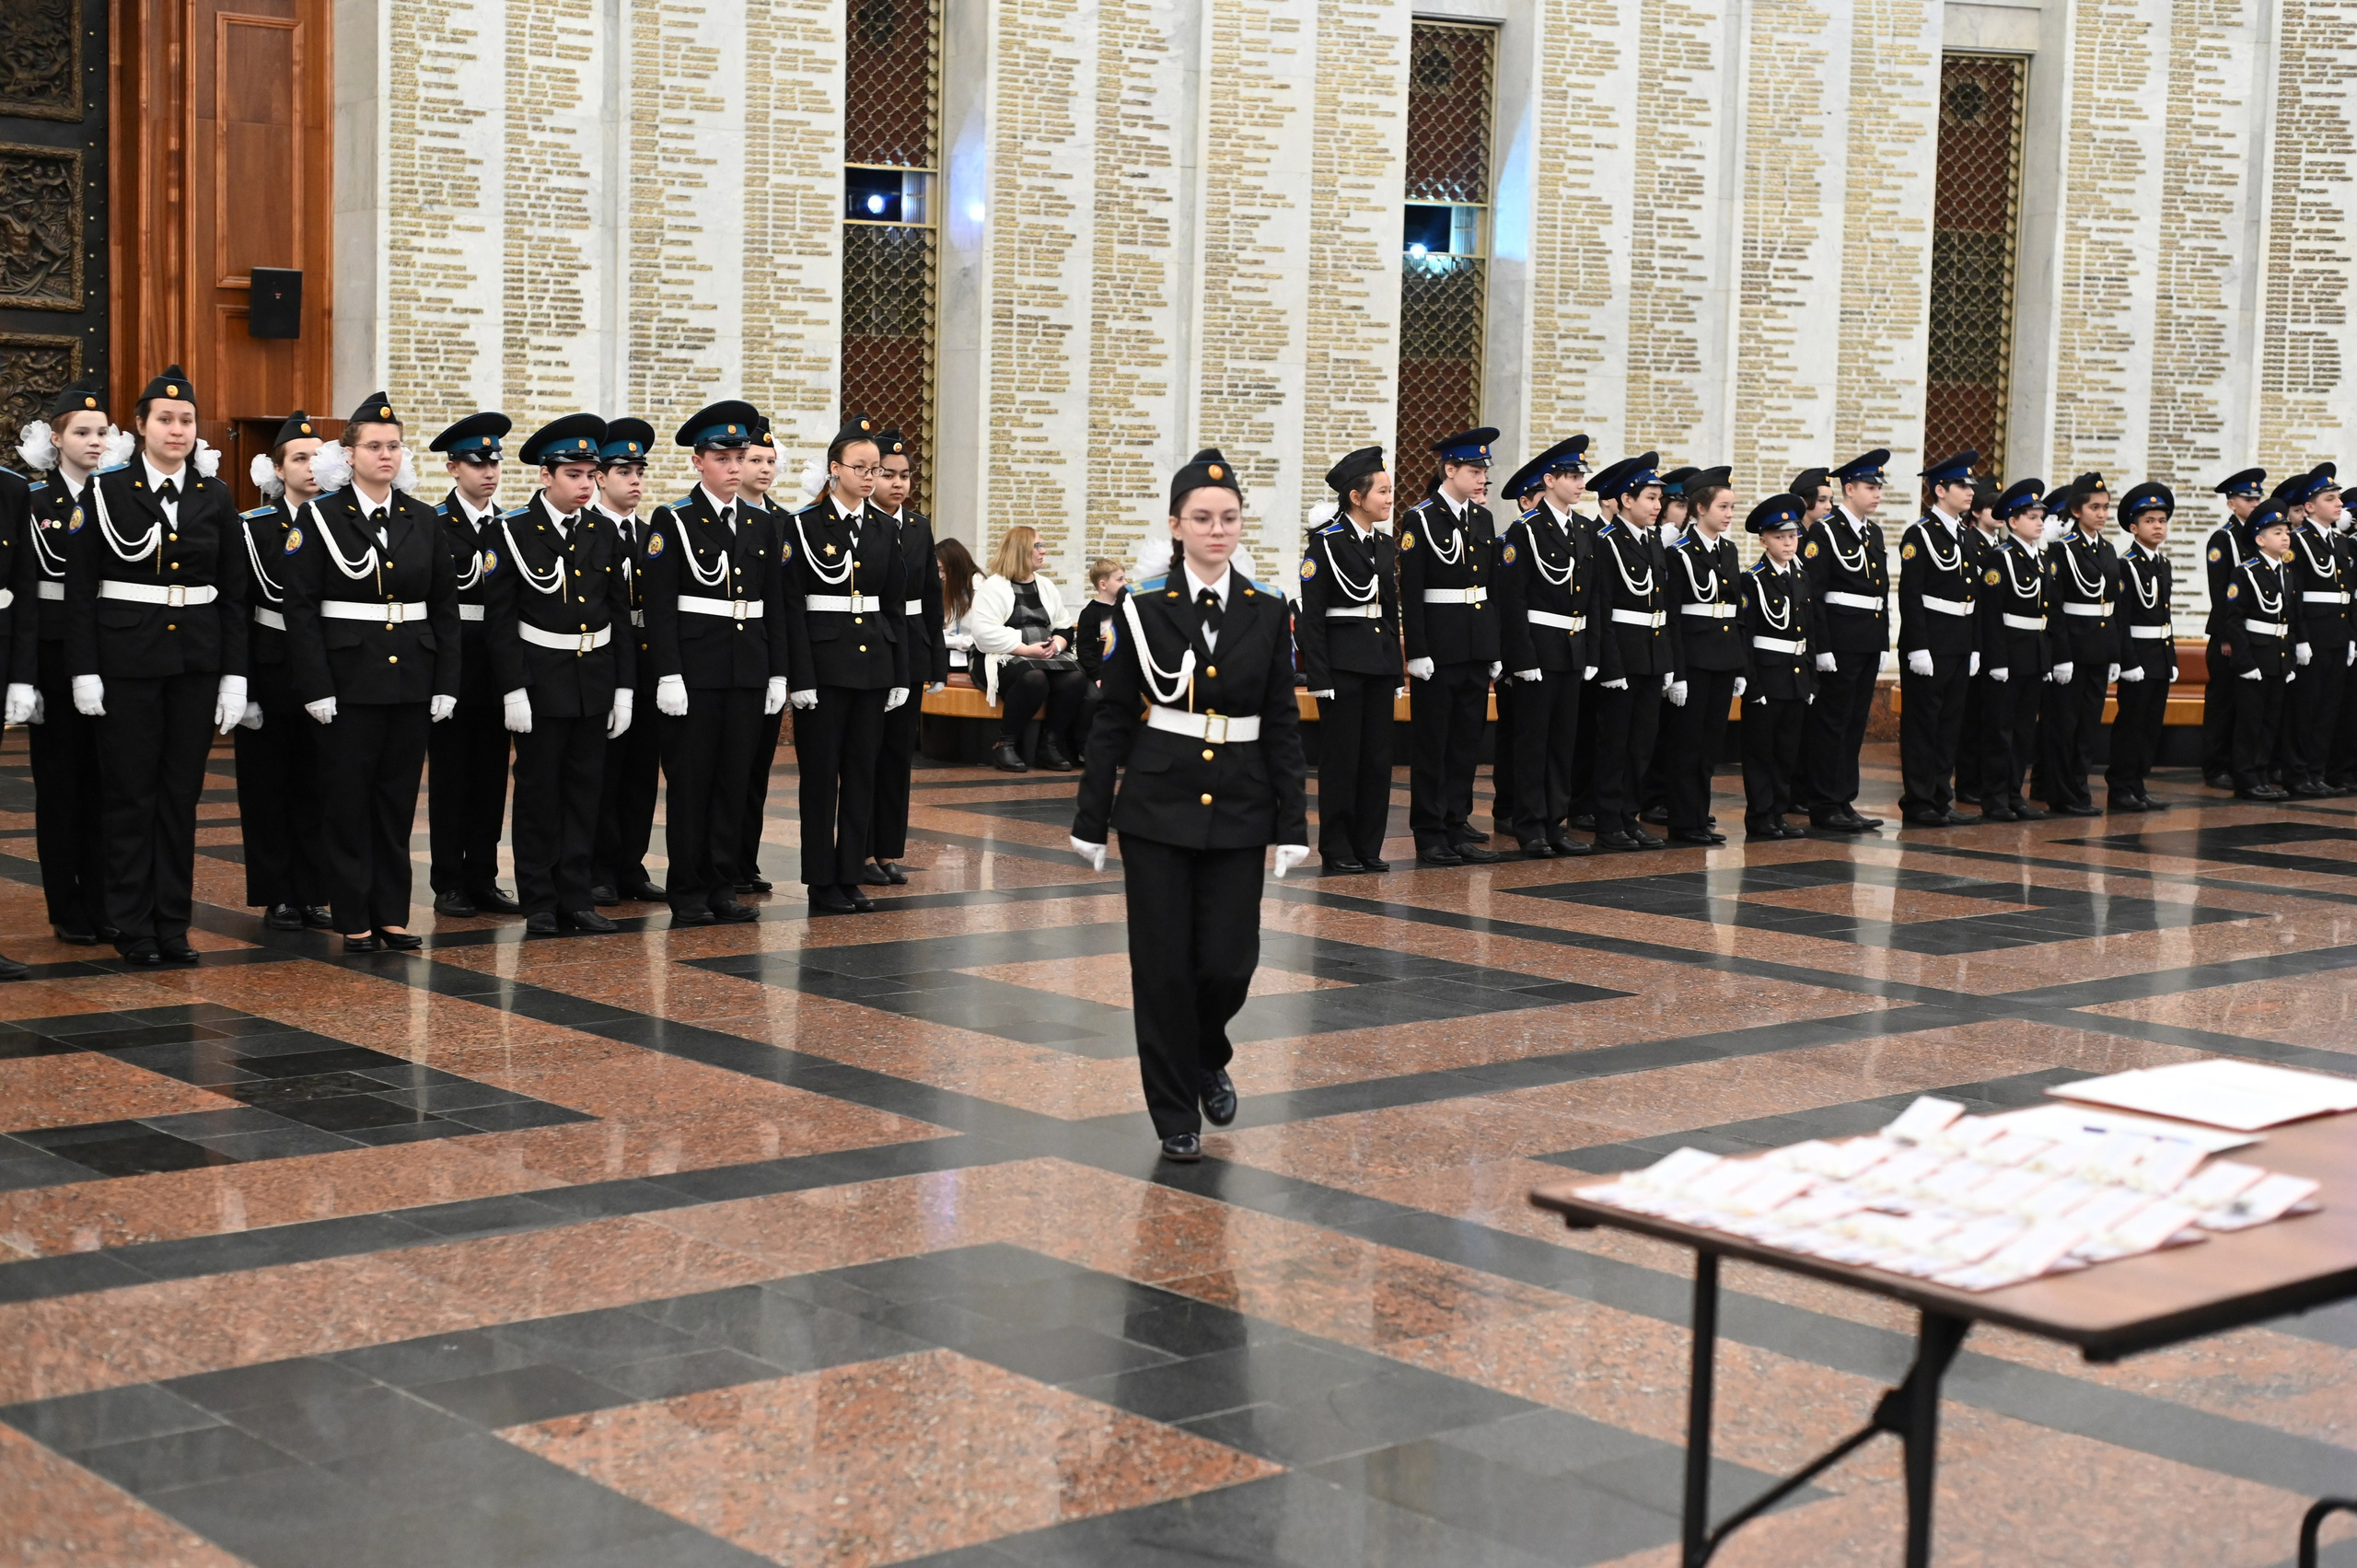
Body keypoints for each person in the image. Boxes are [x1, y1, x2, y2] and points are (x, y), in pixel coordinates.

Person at [1069, 448, 1308, 1163]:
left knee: (1230, 961)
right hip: (1158, 804)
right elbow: (1113, 718)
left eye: (1228, 518)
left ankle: (1209, 1050)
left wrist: (1293, 822)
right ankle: (1174, 1109)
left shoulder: (1268, 611)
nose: (1217, 530)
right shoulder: (1142, 610)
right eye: (1202, 518)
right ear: (1176, 526)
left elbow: (1283, 723)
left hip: (1239, 803)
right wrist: (1091, 818)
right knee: (1164, 965)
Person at [66, 366, 249, 966]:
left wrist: (234, 674)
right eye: (165, 419)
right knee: (130, 795)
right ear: (140, 427)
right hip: (126, 662)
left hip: (194, 663)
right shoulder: (106, 491)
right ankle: (131, 925)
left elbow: (232, 591)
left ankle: (172, 923)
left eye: (187, 420)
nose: (178, 429)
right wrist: (84, 668)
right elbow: (81, 587)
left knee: (179, 796)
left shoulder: (214, 496)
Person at [281, 392, 460, 952]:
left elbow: (444, 607)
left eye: (394, 446)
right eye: (375, 446)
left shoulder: (422, 518)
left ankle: (392, 915)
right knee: (347, 802)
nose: (387, 455)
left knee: (396, 802)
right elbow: (301, 608)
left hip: (410, 676)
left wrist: (447, 682)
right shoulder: (321, 517)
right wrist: (315, 685)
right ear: (350, 454)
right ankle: (353, 915)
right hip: (348, 680)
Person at [488, 415, 635, 935]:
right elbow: (501, 620)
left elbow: (618, 614)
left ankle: (576, 895)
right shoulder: (511, 530)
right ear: (545, 476)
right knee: (538, 794)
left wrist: (623, 688)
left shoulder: (602, 530)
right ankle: (540, 900)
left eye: (591, 474)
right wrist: (513, 689)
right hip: (541, 680)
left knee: (584, 792)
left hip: (593, 679)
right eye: (574, 474)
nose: (586, 484)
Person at [641, 400, 783, 927]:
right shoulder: (673, 520)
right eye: (722, 457)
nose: (733, 466)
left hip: (746, 669)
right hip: (696, 673)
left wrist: (778, 672)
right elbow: (659, 606)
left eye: (740, 456)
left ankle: (723, 885)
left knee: (733, 781)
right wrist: (669, 674)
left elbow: (774, 607)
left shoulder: (761, 524)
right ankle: (690, 890)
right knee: (693, 784)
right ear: (698, 462)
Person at [782, 414, 910, 915]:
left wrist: (899, 673)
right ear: (835, 470)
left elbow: (893, 604)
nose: (870, 477)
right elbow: (793, 605)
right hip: (825, 665)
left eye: (875, 469)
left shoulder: (883, 528)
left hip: (873, 665)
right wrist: (801, 675)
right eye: (860, 467)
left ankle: (850, 871)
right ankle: (820, 879)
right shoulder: (803, 525)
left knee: (862, 772)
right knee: (820, 777)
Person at [19, 380, 116, 945]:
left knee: (107, 785)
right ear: (55, 439)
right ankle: (66, 906)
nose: (94, 442)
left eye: (102, 432)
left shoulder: (119, 500)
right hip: (54, 655)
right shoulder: (34, 502)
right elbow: (26, 591)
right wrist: (24, 675)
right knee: (59, 786)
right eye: (81, 432)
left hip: (109, 650)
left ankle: (103, 900)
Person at [234, 412, 332, 930]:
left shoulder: (340, 522)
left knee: (318, 787)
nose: (312, 466)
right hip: (271, 674)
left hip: (328, 676)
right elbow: (241, 612)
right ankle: (278, 893)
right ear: (276, 468)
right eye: (300, 457)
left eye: (319, 456)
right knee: (267, 788)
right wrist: (243, 686)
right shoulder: (254, 528)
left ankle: (313, 891)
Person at [425, 412, 519, 917]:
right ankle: (449, 881)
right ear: (452, 468)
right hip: (453, 664)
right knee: (451, 777)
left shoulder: (509, 527)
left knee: (490, 777)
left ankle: (483, 876)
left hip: (497, 666)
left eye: (495, 463)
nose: (489, 471)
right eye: (477, 463)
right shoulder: (434, 524)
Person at [1398, 428, 1502, 865]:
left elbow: (1490, 589)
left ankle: (1456, 823)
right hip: (1438, 651)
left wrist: (1494, 648)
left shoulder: (1482, 519)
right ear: (1450, 469)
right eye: (1474, 471)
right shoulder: (1420, 519)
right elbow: (1413, 590)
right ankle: (1429, 831)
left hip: (1475, 646)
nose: (1481, 479)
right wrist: (1417, 651)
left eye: (1484, 471)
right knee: (1433, 743)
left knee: (1465, 742)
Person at [1297, 446, 1401, 873]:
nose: (1389, 498)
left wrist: (1395, 668)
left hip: (1377, 663)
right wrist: (1319, 676)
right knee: (1342, 761)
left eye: (1390, 490)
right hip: (1341, 667)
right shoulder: (1326, 544)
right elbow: (1312, 617)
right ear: (1356, 497)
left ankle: (1367, 846)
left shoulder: (1384, 543)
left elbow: (1390, 611)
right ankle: (1337, 848)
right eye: (1382, 491)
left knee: (1377, 760)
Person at [1493, 436, 1595, 857]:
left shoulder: (1585, 529)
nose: (1579, 484)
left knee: (1562, 743)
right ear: (1549, 480)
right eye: (1571, 476)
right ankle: (1530, 825)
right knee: (1533, 743)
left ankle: (1556, 822)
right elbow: (1511, 600)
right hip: (1539, 649)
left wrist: (1591, 654)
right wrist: (1522, 658)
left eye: (1581, 476)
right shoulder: (1526, 530)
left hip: (1572, 649)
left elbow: (1595, 598)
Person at [587, 418, 666, 905]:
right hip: (602, 663)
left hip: (647, 666)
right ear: (599, 476)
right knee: (603, 771)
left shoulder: (652, 534)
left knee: (641, 771)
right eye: (623, 470)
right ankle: (597, 866)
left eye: (639, 469)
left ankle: (630, 863)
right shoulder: (588, 531)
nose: (635, 479)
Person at [864, 427, 941, 887]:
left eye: (905, 476)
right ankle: (862, 848)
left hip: (910, 643)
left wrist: (934, 658)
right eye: (888, 475)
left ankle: (889, 849)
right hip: (875, 639)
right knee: (867, 753)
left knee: (898, 754)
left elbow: (931, 597)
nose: (897, 484)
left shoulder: (917, 526)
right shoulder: (861, 522)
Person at [1801, 449, 1891, 832]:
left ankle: (1844, 799)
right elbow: (1814, 595)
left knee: (1854, 724)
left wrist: (1884, 642)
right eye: (1870, 487)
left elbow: (1881, 591)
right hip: (1838, 642)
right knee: (1832, 724)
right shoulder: (1825, 531)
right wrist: (1822, 648)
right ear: (1849, 488)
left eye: (1879, 488)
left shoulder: (1873, 532)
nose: (1877, 494)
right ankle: (1823, 802)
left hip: (1867, 640)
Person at [1590, 455, 1675, 851]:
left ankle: (1630, 816)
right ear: (1626, 500)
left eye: (1660, 499)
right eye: (1650, 498)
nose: (1658, 506)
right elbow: (1601, 608)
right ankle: (1608, 822)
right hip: (1622, 656)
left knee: (1642, 742)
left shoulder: (1653, 539)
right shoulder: (1607, 542)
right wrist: (1610, 664)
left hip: (1652, 655)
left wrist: (1669, 663)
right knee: (1613, 743)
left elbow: (1663, 607)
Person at [1896, 450, 1982, 827]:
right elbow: (1910, 594)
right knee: (1923, 725)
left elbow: (1975, 596)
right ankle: (1918, 802)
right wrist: (1917, 646)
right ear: (1940, 489)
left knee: (1950, 725)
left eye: (1970, 486)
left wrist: (1976, 645)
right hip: (1931, 642)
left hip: (1960, 641)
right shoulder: (1920, 534)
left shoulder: (1965, 534)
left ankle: (1940, 798)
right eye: (1962, 485)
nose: (1969, 492)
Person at [1663, 467, 1741, 845]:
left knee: (1711, 744)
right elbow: (1673, 618)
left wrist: (1739, 663)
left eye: (1731, 507)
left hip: (1723, 658)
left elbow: (1735, 613)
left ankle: (1699, 816)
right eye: (1723, 507)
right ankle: (1682, 820)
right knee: (1687, 744)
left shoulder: (1728, 549)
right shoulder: (1679, 552)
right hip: (1693, 660)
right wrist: (1676, 673)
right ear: (1699, 508)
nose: (1729, 514)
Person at [728, 417, 789, 895]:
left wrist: (782, 671)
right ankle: (718, 860)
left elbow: (786, 603)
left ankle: (744, 858)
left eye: (771, 461)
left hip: (764, 658)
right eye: (755, 460)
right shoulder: (696, 517)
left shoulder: (781, 522)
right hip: (722, 662)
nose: (764, 469)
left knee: (755, 771)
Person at [2038, 474, 2119, 817]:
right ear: (2076, 510)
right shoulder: (2062, 549)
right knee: (2065, 725)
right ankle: (2061, 793)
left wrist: (2114, 652)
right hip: (2073, 647)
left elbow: (2111, 603)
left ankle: (2080, 789)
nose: (2101, 514)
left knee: (2088, 725)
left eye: (2105, 508)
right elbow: (2055, 607)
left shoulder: (2107, 548)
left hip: (2099, 649)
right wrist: (2062, 656)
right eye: (2094, 507)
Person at [970, 525, 1081, 773]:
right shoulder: (994, 587)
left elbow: (1064, 627)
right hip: (999, 655)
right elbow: (984, 634)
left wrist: (1058, 645)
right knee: (1034, 679)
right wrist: (1026, 649)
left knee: (1074, 678)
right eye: (1038, 546)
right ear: (1021, 551)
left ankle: (1049, 745)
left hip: (1042, 653)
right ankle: (1005, 743)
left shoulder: (1046, 585)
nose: (1043, 551)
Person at [1973, 478, 2052, 822]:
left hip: (2033, 654)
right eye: (2031, 516)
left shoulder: (2042, 559)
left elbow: (2046, 613)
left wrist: (2046, 659)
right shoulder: (2000, 558)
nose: (2039, 522)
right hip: (2008, 654)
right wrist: (1997, 660)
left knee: (2023, 732)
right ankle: (1994, 798)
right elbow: (1990, 614)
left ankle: (2014, 794)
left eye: (2041, 516)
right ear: (2013, 521)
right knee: (1999, 731)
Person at [1737, 494, 1814, 841]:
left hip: (1795, 676)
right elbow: (1746, 636)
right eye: (1779, 537)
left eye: (1793, 536)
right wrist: (1752, 684)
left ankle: (1778, 812)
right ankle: (1760, 816)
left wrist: (1810, 680)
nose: (1787, 543)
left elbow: (1807, 632)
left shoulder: (1800, 577)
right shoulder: (1753, 580)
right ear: (1763, 539)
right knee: (1760, 751)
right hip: (1767, 677)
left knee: (1787, 750)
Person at [2221, 503, 2304, 800]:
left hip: (2278, 659)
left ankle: (2261, 775)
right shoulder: (2246, 573)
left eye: (2287, 532)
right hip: (2254, 658)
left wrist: (2291, 660)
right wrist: (2244, 662)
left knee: (2270, 722)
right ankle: (2245, 779)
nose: (2285, 538)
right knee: (2250, 723)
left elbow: (2290, 621)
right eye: (2277, 532)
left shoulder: (2287, 573)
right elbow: (2235, 621)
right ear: (2259, 539)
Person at [2107, 482, 2177, 812]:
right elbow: (2121, 620)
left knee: (2150, 726)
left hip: (2159, 656)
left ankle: (2138, 784)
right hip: (2137, 657)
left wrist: (2172, 655)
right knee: (2131, 724)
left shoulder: (2163, 565)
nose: (2158, 526)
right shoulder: (2126, 565)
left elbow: (2165, 614)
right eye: (2150, 520)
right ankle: (2120, 787)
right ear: (2134, 527)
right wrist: (2128, 661)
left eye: (2162, 520)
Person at [2282, 466, 2351, 798]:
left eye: (2338, 497)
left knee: (2328, 710)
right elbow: (2294, 596)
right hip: (2312, 638)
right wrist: (2301, 639)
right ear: (2309, 507)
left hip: (2338, 637)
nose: (2339, 503)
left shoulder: (2338, 542)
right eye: (2330, 498)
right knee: (2304, 709)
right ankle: (2296, 774)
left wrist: (2351, 636)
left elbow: (2346, 595)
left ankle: (2316, 772)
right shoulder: (2296, 542)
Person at [2201, 468, 2266, 789]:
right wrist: (2227, 636)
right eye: (2247, 498)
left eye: (2258, 498)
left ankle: (2240, 762)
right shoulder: (2223, 538)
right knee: (2223, 701)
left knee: (2246, 704)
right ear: (2231, 504)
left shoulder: (2260, 535)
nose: (2255, 503)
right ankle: (2215, 766)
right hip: (2228, 635)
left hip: (2251, 633)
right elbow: (2221, 591)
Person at [1953, 474, 2003, 808]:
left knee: (1988, 716)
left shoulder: (1998, 545)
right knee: (1971, 717)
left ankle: (1983, 779)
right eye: (1994, 506)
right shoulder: (1971, 542)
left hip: (1993, 641)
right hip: (1975, 638)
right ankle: (1968, 781)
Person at [939, 537, 981, 678]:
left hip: (974, 653)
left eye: (942, 570)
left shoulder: (980, 589)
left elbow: (976, 638)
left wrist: (942, 640)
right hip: (950, 650)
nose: (940, 576)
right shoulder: (949, 586)